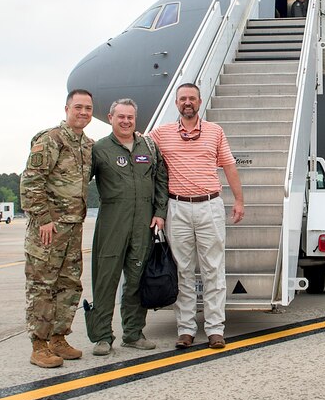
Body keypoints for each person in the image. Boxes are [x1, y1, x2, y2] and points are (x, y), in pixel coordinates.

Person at [150, 83, 245, 350]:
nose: (187, 102)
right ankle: (186, 329)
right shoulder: (162, 134)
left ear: (200, 102)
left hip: (209, 205)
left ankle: (215, 329)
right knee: (183, 271)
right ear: (177, 103)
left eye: (192, 98)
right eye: (183, 99)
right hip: (177, 207)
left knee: (213, 269)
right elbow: (138, 147)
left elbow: (229, 165)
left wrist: (239, 200)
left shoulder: (215, 132)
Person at [20, 89, 94, 368]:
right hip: (48, 229)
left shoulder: (87, 145)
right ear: (67, 109)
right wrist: (43, 219)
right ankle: (39, 345)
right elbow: (30, 182)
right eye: (79, 107)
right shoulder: (50, 140)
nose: (84, 113)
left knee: (69, 285)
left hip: (73, 229)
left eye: (88, 108)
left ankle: (58, 338)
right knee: (42, 285)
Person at [88, 99, 169, 356]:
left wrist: (160, 212)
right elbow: (80, 181)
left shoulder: (149, 146)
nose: (125, 121)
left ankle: (133, 333)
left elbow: (161, 179)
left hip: (143, 223)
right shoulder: (99, 149)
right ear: (111, 117)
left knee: (136, 280)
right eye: (120, 117)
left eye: (130, 117)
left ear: (136, 119)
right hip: (112, 222)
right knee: (105, 279)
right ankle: (102, 336)